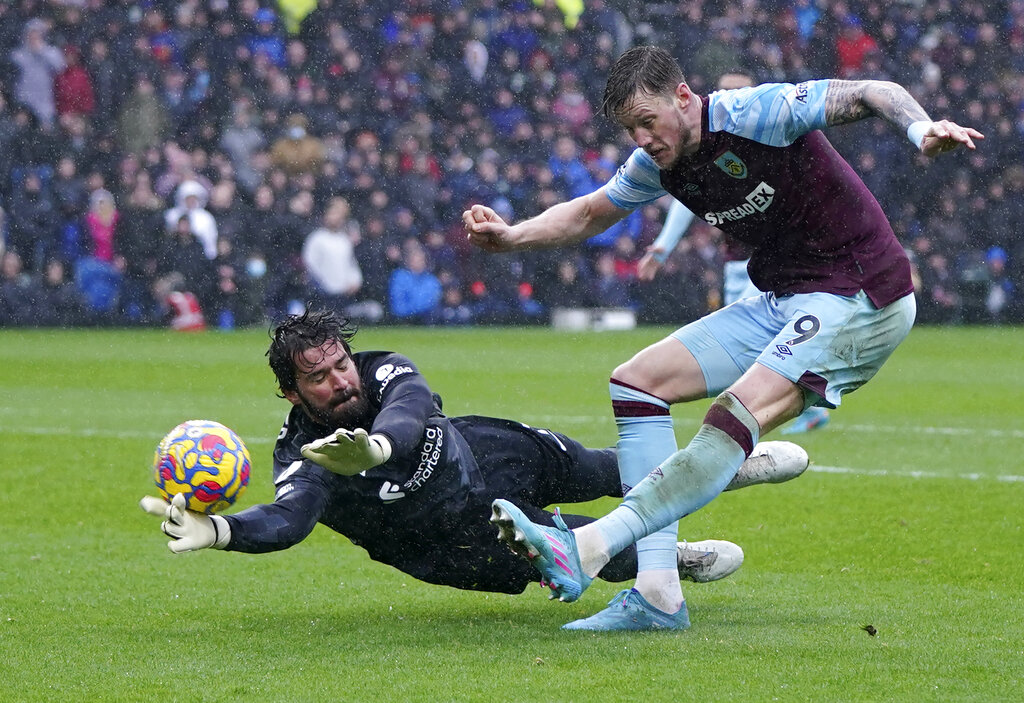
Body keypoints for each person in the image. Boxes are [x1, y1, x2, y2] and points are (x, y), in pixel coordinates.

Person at [464, 45, 982, 630]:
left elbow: (869, 91)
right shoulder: (656, 164)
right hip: (787, 296)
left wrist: (919, 129)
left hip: (861, 294)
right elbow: (588, 214)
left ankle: (588, 547)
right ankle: (658, 596)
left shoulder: (756, 112)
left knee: (733, 413)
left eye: (648, 121)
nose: (642, 139)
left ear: (683, 97)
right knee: (637, 383)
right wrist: (512, 237)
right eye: (631, 129)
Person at [140, 307, 810, 595]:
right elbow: (288, 520)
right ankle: (672, 560)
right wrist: (221, 530)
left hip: (482, 452)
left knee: (604, 467)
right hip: (451, 537)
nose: (340, 380)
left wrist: (377, 448)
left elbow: (410, 409)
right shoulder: (303, 456)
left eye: (340, 363)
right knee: (582, 545)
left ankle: (721, 469)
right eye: (319, 377)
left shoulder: (382, 368)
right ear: (292, 392)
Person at [640, 71, 831, 436]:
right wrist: (663, 246)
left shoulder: (764, 140)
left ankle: (789, 406)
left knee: (758, 343)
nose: (725, 97)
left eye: (734, 91)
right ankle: (795, 403)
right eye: (721, 90)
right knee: (751, 345)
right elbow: (684, 198)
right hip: (734, 262)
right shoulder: (706, 146)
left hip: (770, 261)